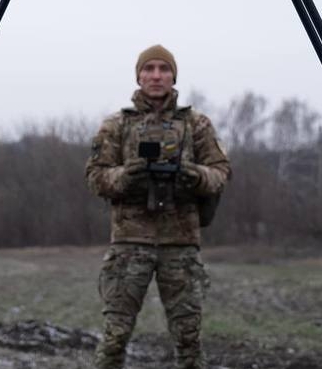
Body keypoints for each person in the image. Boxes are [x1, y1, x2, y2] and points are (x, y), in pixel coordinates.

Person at [85, 44, 231, 369]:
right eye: (148, 69)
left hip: (180, 243)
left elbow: (221, 172)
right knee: (114, 337)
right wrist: (126, 175)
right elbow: (95, 177)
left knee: (189, 340)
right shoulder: (117, 125)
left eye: (164, 69)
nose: (156, 76)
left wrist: (194, 175)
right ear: (138, 76)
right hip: (129, 243)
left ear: (173, 77)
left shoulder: (196, 124)